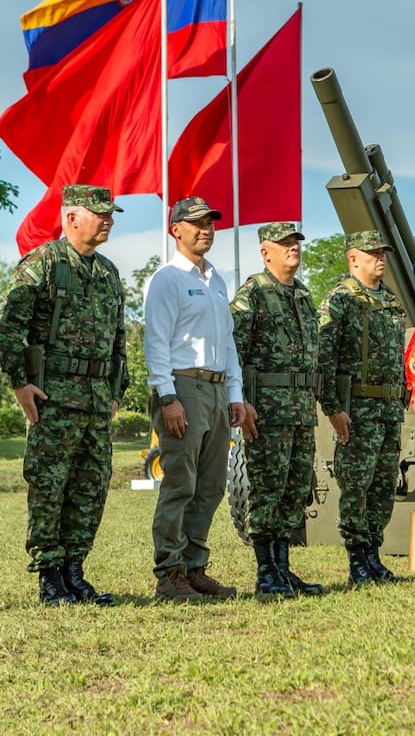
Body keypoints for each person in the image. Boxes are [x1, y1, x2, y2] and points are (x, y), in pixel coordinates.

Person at [0, 185, 128, 607]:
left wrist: (115, 389)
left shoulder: (107, 272)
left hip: (95, 400)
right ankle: (50, 576)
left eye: (110, 214)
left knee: (91, 487)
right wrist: (19, 383)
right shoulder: (44, 262)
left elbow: (118, 338)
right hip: (52, 397)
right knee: (49, 487)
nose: (107, 221)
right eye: (99, 214)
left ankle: (74, 570)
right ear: (71, 218)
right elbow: (9, 328)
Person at [143, 196, 246, 603]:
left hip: (217, 388)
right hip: (183, 386)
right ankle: (170, 574)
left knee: (212, 485)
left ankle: (193, 567)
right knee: (181, 484)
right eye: (197, 223)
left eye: (210, 223)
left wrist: (234, 393)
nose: (206, 229)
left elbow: (228, 342)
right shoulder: (167, 278)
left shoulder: (216, 279)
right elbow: (156, 342)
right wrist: (167, 396)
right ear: (176, 229)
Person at [230, 222, 323, 598]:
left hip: (301, 411)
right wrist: (242, 400)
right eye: (284, 244)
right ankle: (266, 572)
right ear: (265, 252)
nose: (293, 248)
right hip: (266, 412)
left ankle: (283, 569)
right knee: (267, 490)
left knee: (294, 490)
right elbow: (233, 348)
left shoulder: (303, 294)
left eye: (295, 242)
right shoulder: (253, 292)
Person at [316, 229, 408, 585]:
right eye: (372, 253)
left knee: (383, 487)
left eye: (382, 253)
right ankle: (357, 561)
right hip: (357, 411)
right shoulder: (340, 300)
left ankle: (373, 556)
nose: (380, 259)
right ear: (353, 258)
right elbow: (323, 359)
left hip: (388, 410)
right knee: (356, 486)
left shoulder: (390, 300)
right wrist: (332, 408)